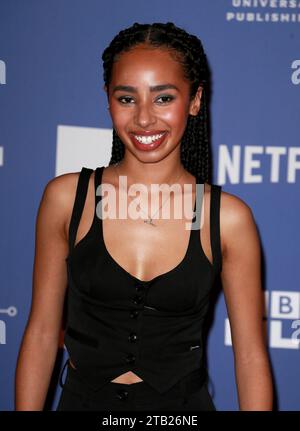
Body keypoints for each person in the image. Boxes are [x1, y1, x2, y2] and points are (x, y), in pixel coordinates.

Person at [15, 22, 273, 411]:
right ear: (108, 100)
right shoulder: (67, 199)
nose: (144, 119)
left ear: (195, 100)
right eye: (126, 99)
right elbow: (41, 331)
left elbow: (251, 357)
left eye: (164, 98)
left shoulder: (228, 219)